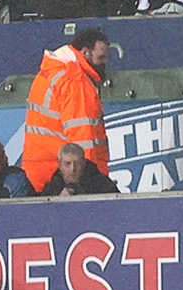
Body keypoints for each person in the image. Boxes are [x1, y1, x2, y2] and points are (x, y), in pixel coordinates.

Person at [21, 24, 115, 195]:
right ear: (85, 52)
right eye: (101, 57)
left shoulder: (50, 72)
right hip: (63, 181)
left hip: (40, 175)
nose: (105, 63)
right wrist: (87, 184)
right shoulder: (75, 81)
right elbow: (83, 141)